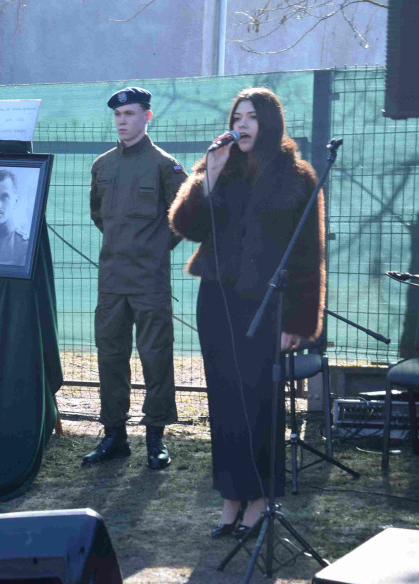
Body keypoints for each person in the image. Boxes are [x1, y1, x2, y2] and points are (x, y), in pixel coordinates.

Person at [169, 88, 325, 537]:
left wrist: (297, 324)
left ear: (269, 122)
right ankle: (229, 499)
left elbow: (307, 254)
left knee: (259, 399)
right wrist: (208, 178)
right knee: (223, 398)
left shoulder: (297, 177)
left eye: (252, 117)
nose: (243, 124)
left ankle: (258, 500)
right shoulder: (221, 167)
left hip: (266, 304)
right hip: (217, 297)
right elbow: (184, 225)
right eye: (238, 115)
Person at [82, 87, 186, 471]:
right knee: (110, 357)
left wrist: (154, 249)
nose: (122, 121)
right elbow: (99, 216)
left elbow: (182, 217)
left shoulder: (165, 166)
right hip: (112, 278)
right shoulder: (103, 165)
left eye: (129, 113)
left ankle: (156, 436)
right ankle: (114, 436)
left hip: (149, 280)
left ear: (147, 117)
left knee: (155, 356)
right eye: (118, 115)